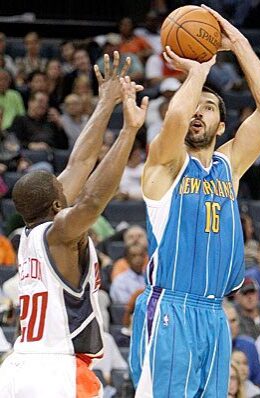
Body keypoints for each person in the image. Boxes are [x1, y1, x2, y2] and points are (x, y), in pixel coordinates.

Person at [130, 4, 260, 397]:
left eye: (208, 107)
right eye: (194, 105)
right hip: (169, 310)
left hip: (214, 315)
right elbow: (175, 120)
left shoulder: (229, 167)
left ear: (222, 126)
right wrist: (198, 73)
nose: (198, 111)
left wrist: (240, 44)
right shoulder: (164, 163)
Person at [0, 51, 149, 397]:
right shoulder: (59, 234)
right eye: (59, 183)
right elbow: (93, 200)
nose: (66, 180)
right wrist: (128, 131)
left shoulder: (30, 233)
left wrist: (105, 102)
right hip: (55, 371)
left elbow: (80, 162)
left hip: (18, 365)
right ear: (56, 203)